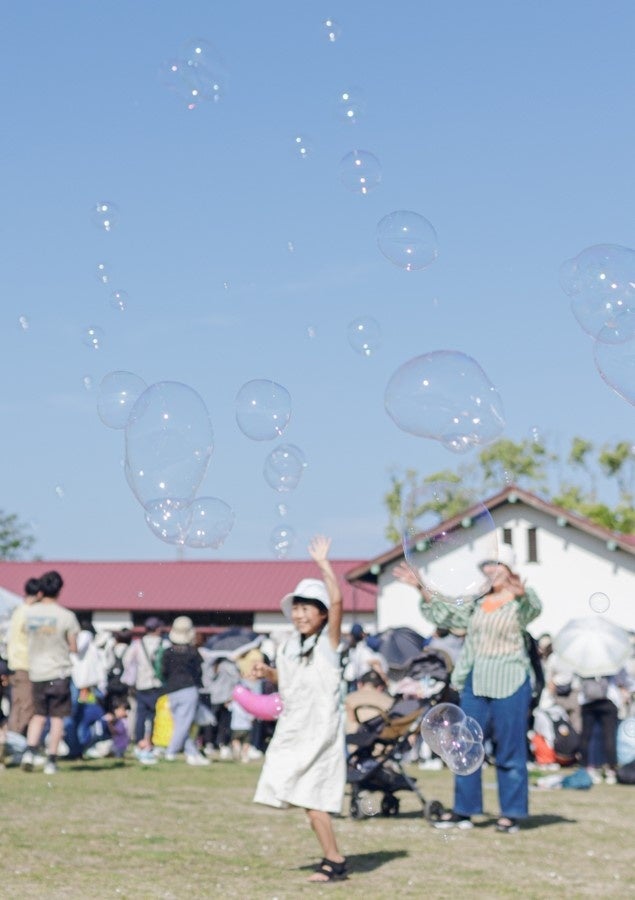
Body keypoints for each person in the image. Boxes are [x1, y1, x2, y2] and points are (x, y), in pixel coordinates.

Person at [394, 543, 542, 834]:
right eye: (485, 566)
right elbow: (444, 616)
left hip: (511, 680)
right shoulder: (475, 604)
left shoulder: (518, 603)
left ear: (510, 570)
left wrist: (522, 595)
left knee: (510, 749)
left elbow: (532, 610)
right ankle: (464, 810)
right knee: (463, 746)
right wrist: (420, 587)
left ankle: (511, 813)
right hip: (476, 680)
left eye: (495, 565)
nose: (488, 571)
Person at [253, 535, 347, 884]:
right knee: (307, 798)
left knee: (313, 797)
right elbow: (289, 680)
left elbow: (337, 601)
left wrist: (323, 565)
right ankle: (333, 859)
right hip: (295, 726)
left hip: (321, 728)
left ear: (322, 614)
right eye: (296, 607)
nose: (300, 613)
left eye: (308, 607)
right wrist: (267, 673)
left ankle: (334, 861)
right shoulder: (289, 645)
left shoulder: (328, 642)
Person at [21, 570, 80, 775]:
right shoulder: (66, 616)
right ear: (59, 590)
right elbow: (73, 647)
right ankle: (51, 761)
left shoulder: (29, 614)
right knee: (56, 718)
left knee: (38, 715)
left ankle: (29, 752)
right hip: (59, 672)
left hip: (36, 672)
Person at [161, 616, 209, 766]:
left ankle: (192, 754)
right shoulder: (193, 653)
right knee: (184, 724)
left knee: (182, 723)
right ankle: (171, 751)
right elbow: (199, 673)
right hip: (188, 689)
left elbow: (163, 672)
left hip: (172, 690)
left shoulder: (167, 652)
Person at [123, 617, 167, 751]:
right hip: (159, 684)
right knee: (156, 715)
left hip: (142, 684)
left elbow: (127, 660)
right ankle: (152, 742)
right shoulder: (164, 644)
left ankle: (139, 742)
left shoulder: (137, 644)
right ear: (158, 629)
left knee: (140, 716)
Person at [5, 577, 41, 737]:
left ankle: (12, 741)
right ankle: (15, 742)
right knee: (27, 706)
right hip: (25, 664)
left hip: (15, 664)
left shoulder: (18, 611)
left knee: (18, 705)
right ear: (39, 594)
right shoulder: (30, 613)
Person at [344, 669, 393, 734]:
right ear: (380, 687)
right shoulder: (390, 701)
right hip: (379, 740)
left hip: (352, 739)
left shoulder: (347, 698)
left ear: (359, 685)